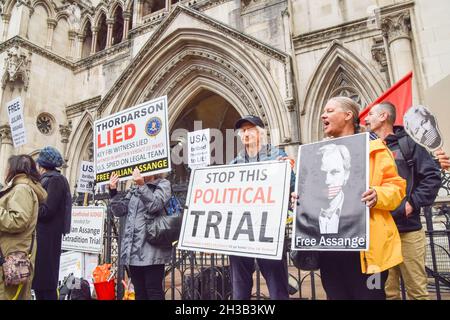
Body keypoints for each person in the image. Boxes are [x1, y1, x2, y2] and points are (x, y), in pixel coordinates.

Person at [311, 96, 406, 300]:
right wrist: (302, 199)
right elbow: (313, 192)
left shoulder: (376, 149)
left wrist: (378, 194)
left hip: (367, 252)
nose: (323, 115)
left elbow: (397, 188)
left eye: (329, 110)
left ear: (348, 115)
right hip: (330, 250)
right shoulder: (317, 154)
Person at [365, 102, 442, 300]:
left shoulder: (409, 143)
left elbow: (432, 177)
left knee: (417, 290)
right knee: (388, 292)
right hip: (380, 233)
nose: (366, 118)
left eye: (371, 114)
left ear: (383, 116)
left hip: (407, 229)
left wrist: (411, 204)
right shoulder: (367, 148)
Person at [229, 115, 295, 300]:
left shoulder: (278, 157)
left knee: (277, 286)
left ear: (261, 133)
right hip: (241, 232)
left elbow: (293, 187)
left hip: (269, 230)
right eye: (242, 131)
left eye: (250, 129)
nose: (245, 133)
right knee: (240, 288)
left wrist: (287, 171)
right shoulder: (234, 163)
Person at [109, 168, 171, 300]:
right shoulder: (134, 189)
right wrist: (113, 191)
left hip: (152, 248)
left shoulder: (163, 184)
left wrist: (142, 185)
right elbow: (119, 211)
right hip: (134, 250)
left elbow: (155, 205)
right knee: (139, 292)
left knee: (153, 290)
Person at [0, 155, 47, 300]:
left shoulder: (22, 189)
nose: (5, 170)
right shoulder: (20, 188)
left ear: (15, 168)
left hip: (12, 256)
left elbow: (18, 220)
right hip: (13, 253)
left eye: (8, 167)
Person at [32, 146, 72, 300]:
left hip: (47, 238)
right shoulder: (48, 179)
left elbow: (48, 210)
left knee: (46, 284)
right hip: (42, 236)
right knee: (41, 284)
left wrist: (30, 207)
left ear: (41, 166)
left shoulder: (55, 180)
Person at [318, 144, 351, 234]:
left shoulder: (357, 210)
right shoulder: (306, 213)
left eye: (334, 172)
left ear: (346, 174)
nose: (327, 181)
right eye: (322, 173)